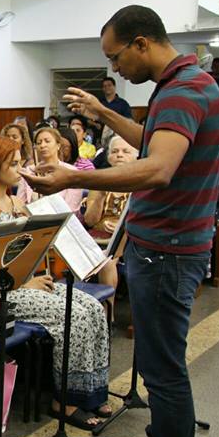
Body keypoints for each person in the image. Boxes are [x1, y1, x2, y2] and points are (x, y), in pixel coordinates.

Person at [23, 5, 219, 437]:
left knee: (163, 372)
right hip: (172, 245)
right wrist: (105, 112)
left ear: (141, 43)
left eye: (116, 57)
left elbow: (157, 169)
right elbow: (152, 142)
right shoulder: (186, 84)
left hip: (168, 250)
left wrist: (74, 176)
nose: (114, 67)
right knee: (160, 365)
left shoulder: (180, 91)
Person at [0, 136, 110, 430]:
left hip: (25, 282)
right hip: (0, 292)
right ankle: (65, 400)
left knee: (93, 307)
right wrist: (24, 283)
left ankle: (91, 391)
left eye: (20, 163)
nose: (20, 170)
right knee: (74, 315)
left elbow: (29, 251)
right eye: (12, 164)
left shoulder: (16, 201)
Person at [81, 135, 139, 322]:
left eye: (125, 151)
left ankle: (108, 315)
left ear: (136, 156)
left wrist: (124, 225)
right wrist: (99, 196)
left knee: (107, 261)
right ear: (108, 157)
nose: (119, 155)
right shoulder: (100, 181)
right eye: (115, 151)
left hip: (129, 238)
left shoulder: (141, 183)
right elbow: (90, 221)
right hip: (97, 237)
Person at [18, 126, 84, 212]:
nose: (42, 145)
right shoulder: (28, 171)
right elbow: (20, 205)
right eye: (39, 143)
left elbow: (71, 209)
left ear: (58, 145)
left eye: (47, 141)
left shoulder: (71, 171)